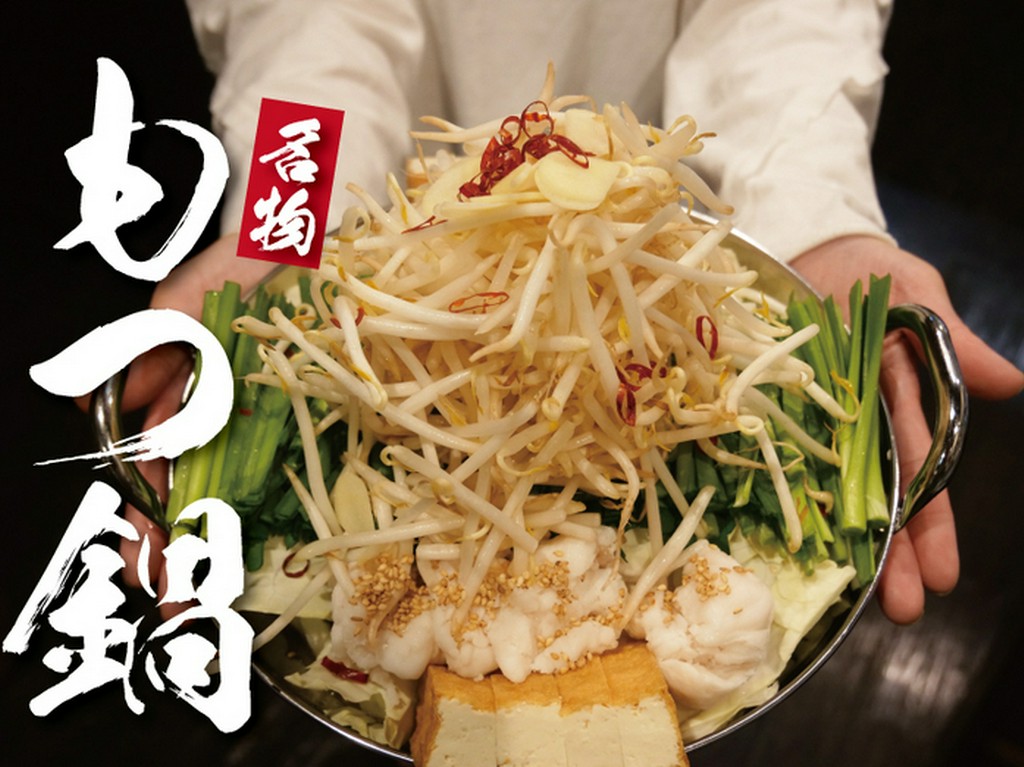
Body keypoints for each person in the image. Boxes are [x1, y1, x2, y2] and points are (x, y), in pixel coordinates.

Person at [117, 0, 1023, 626]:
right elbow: (310, 16)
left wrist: (809, 213)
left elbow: (781, 16)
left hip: (654, 239)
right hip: (402, 256)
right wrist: (288, 220)